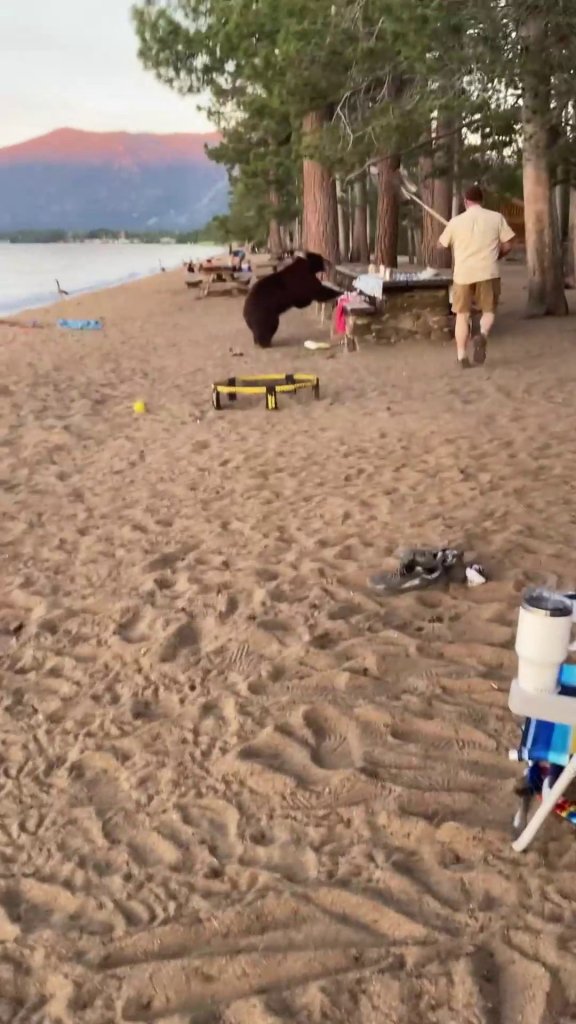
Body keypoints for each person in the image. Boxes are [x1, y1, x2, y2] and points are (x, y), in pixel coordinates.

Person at [438, 185, 515, 368]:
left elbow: (440, 245)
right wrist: (498, 254)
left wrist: (455, 242)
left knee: (462, 315)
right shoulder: (496, 218)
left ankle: (462, 356)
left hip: (463, 274)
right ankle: (482, 335)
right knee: (488, 311)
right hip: (488, 271)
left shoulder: (455, 222)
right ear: (483, 200)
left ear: (465, 201)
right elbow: (509, 244)